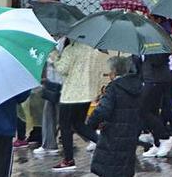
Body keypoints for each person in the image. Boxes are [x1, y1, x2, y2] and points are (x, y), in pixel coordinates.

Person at [51, 39, 104, 171]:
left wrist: (54, 55)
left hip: (71, 95)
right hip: (87, 94)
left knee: (65, 126)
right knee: (79, 125)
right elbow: (98, 72)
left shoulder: (72, 49)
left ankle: (68, 160)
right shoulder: (94, 49)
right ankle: (106, 145)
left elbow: (62, 68)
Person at [86, 56, 142, 177]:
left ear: (114, 71)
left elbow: (103, 111)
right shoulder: (138, 86)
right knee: (124, 168)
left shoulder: (114, 87)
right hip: (130, 133)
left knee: (109, 169)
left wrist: (92, 123)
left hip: (113, 133)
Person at [139, 43, 172, 158]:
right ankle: (157, 142)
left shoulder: (155, 39)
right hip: (148, 78)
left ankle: (165, 137)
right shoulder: (140, 40)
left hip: (157, 79)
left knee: (142, 110)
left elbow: (157, 59)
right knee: (153, 111)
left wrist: (145, 49)